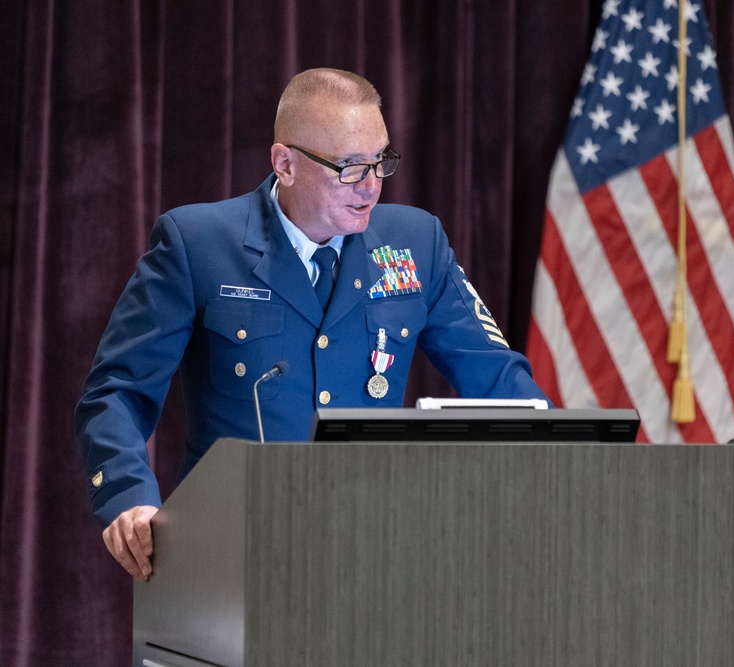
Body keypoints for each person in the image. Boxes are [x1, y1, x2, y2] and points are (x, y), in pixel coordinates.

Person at [76, 68, 549, 581]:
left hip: (378, 553)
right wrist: (128, 499)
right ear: (286, 163)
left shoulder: (416, 243)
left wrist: (564, 450)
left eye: (380, 162)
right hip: (232, 552)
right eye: (348, 167)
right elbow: (116, 390)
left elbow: (498, 378)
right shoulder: (198, 243)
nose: (370, 187)